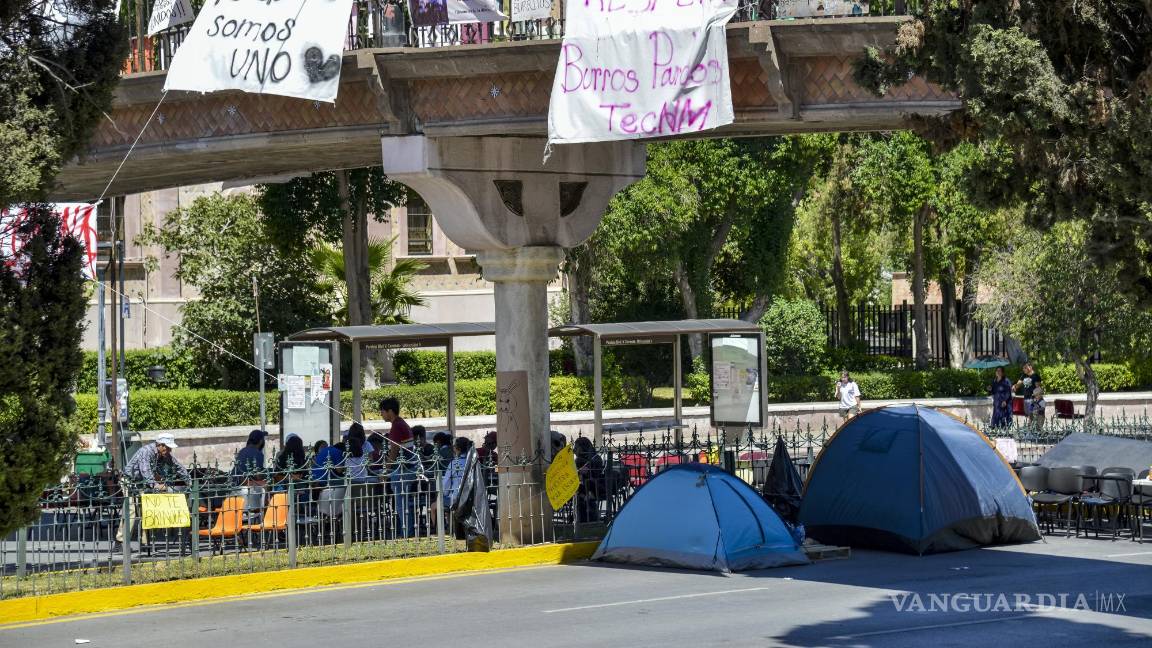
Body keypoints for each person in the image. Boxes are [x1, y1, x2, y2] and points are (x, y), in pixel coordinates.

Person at [115, 433, 190, 550]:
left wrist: (190, 481)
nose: (170, 450)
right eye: (168, 447)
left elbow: (178, 466)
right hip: (129, 480)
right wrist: (156, 485)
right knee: (130, 509)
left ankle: (145, 542)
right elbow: (145, 470)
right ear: (160, 445)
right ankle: (120, 542)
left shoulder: (164, 453)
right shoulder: (146, 451)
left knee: (146, 509)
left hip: (142, 482)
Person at [381, 397, 417, 537]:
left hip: (403, 470)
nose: (381, 414)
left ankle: (406, 532)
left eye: (382, 411)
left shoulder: (396, 426)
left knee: (401, 504)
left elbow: (394, 451)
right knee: (403, 503)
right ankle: (407, 531)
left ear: (390, 411)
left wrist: (386, 471)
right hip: (408, 468)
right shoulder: (401, 423)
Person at [573, 437, 605, 523]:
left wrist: (587, 470)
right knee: (577, 491)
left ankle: (589, 515)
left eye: (577, 447)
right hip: (582, 488)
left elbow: (595, 474)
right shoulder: (578, 460)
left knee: (583, 492)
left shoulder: (595, 458)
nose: (574, 450)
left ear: (583, 447)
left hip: (594, 487)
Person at [442, 436, 472, 512]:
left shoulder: (454, 463)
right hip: (471, 497)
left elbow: (446, 484)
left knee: (434, 506)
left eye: (454, 446)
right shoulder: (472, 462)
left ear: (457, 449)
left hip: (455, 498)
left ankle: (448, 523)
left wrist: (444, 493)